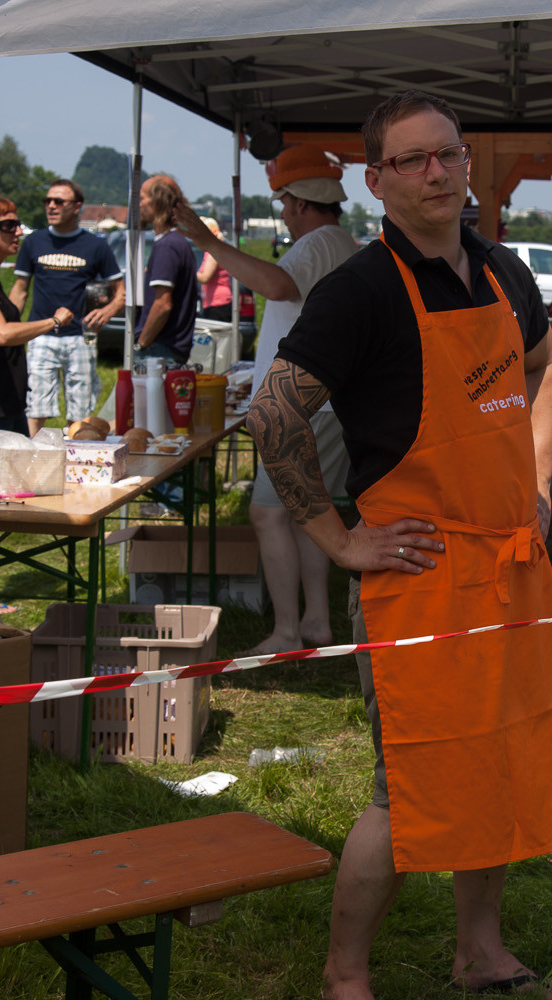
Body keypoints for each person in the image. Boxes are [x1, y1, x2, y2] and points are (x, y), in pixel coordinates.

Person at [249, 90, 552, 1000]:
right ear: (377, 181)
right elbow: (274, 416)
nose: (437, 172)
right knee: (403, 785)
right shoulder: (360, 291)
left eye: (448, 153)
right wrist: (338, 540)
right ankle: (344, 976)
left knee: (497, 768)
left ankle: (480, 955)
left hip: (509, 569)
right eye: (412, 159)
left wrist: (535, 476)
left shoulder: (503, 273)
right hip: (419, 577)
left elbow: (544, 367)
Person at [174, 145, 360, 654]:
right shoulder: (337, 242)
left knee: (269, 514)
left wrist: (208, 242)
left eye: (284, 205)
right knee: (307, 513)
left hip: (303, 406)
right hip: (317, 403)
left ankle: (287, 632)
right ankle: (314, 623)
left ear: (299, 203)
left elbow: (277, 285)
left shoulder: (318, 242)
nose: (284, 215)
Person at [0, 196, 73, 478]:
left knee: (14, 492)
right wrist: (54, 321)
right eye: (8, 225)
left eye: (17, 224)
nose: (18, 231)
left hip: (7, 405)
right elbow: (2, 333)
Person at [10, 179, 126, 436]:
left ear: (77, 207)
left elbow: (121, 293)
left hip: (80, 337)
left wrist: (106, 312)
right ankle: (31, 455)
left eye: (59, 201)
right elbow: (20, 289)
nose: (51, 206)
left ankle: (76, 456)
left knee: (80, 413)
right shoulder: (34, 242)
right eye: (47, 200)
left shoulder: (96, 245)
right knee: (35, 408)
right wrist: (9, 327)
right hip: (41, 335)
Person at [135, 175, 198, 364]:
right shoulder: (176, 242)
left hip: (159, 350)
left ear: (157, 201)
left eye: (142, 198)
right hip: (167, 350)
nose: (139, 205)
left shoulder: (167, 245)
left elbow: (163, 304)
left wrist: (142, 343)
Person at [194, 217, 235, 322]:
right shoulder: (216, 249)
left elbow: (205, 277)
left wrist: (187, 270)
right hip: (215, 302)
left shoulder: (214, 252)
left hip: (217, 304)